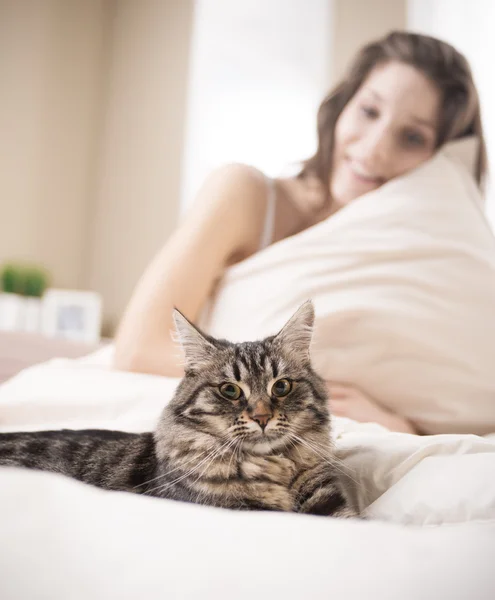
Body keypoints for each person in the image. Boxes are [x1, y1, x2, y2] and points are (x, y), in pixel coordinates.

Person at [113, 31, 487, 434]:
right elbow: (139, 348)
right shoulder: (245, 194)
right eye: (369, 111)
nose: (375, 148)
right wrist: (301, 390)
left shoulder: (419, 262)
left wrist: (396, 423)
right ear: (342, 105)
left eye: (412, 137)